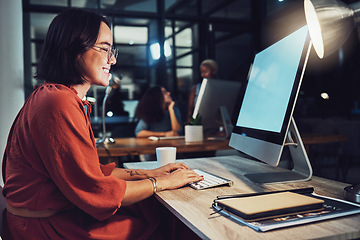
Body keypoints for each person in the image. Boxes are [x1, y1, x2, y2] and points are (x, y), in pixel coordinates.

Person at [2, 9, 203, 239]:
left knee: (151, 208)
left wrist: (154, 173)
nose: (113, 59)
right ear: (74, 47)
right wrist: (162, 182)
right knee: (161, 220)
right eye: (105, 49)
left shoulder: (56, 96)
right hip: (44, 228)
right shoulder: (58, 102)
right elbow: (96, 190)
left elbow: (93, 173)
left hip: (47, 216)